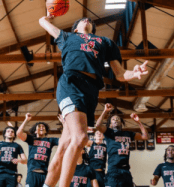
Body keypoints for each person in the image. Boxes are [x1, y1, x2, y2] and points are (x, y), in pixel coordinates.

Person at [39, 13, 148, 187]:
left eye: (90, 20)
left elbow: (120, 73)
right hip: (71, 83)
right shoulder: (67, 36)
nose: (87, 19)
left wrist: (134, 74)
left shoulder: (105, 42)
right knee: (81, 138)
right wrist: (49, 15)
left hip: (91, 91)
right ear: (75, 28)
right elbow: (42, 22)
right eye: (82, 19)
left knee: (65, 145)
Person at [95, 103, 149, 187]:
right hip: (113, 170)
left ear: (121, 123)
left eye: (118, 119)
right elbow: (98, 125)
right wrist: (105, 111)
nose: (116, 120)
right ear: (110, 124)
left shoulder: (128, 134)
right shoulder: (109, 133)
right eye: (113, 119)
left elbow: (145, 136)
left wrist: (138, 122)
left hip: (126, 171)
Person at [16, 113, 59, 187]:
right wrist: (26, 120)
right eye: (39, 126)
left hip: (45, 173)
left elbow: (64, 141)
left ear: (46, 131)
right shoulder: (31, 139)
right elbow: (19, 133)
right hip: (32, 173)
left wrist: (65, 124)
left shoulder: (50, 140)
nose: (41, 127)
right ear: (35, 131)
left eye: (43, 127)